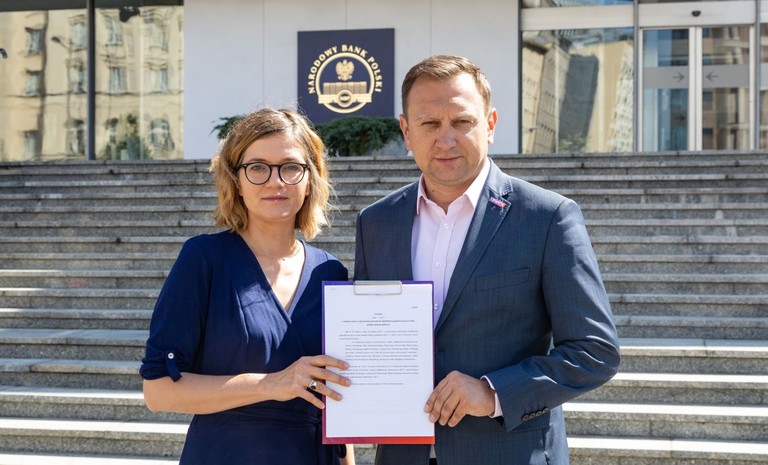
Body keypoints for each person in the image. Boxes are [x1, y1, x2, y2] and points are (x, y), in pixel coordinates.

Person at [354, 55, 621, 465]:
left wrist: (493, 392)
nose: (446, 139)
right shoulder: (376, 223)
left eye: (462, 122)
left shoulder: (546, 217)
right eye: (429, 124)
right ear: (406, 131)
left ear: (490, 124)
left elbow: (594, 351)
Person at [140, 108, 355, 465]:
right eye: (257, 167)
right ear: (236, 181)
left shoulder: (330, 271)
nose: (275, 181)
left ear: (310, 179)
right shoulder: (203, 259)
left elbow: (336, 397)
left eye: (290, 167)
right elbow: (158, 391)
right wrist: (270, 384)